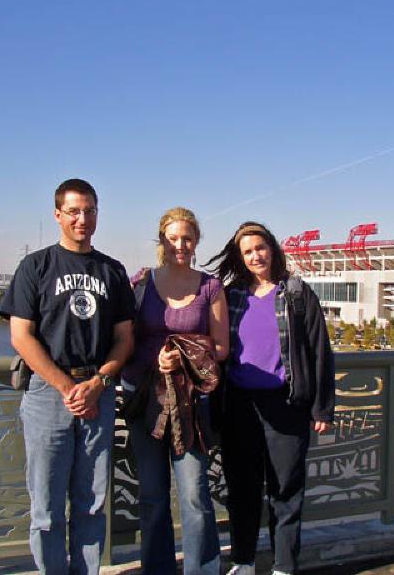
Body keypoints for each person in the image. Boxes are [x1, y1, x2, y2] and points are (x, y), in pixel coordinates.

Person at [0, 179, 136, 575]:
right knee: (46, 505)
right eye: (74, 211)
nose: (82, 218)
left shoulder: (113, 271)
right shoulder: (36, 266)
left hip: (99, 392)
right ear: (57, 215)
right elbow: (20, 336)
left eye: (89, 210)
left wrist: (99, 383)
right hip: (48, 394)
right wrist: (66, 386)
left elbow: (125, 339)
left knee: (92, 502)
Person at [206, 222, 335, 575]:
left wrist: (322, 406)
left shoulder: (295, 293)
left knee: (285, 489)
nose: (255, 256)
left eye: (260, 248)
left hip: (286, 405)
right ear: (240, 257)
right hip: (240, 405)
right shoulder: (231, 296)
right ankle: (244, 560)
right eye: (247, 251)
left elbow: (319, 350)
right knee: (242, 488)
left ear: (272, 248)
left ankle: (283, 566)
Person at [121, 207, 229, 574]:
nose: (179, 245)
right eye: (172, 238)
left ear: (196, 241)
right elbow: (126, 338)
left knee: (195, 495)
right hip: (145, 400)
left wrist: (180, 358)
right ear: (161, 241)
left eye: (187, 238)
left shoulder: (210, 286)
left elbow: (222, 346)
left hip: (191, 404)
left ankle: (202, 569)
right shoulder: (142, 282)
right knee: (152, 497)